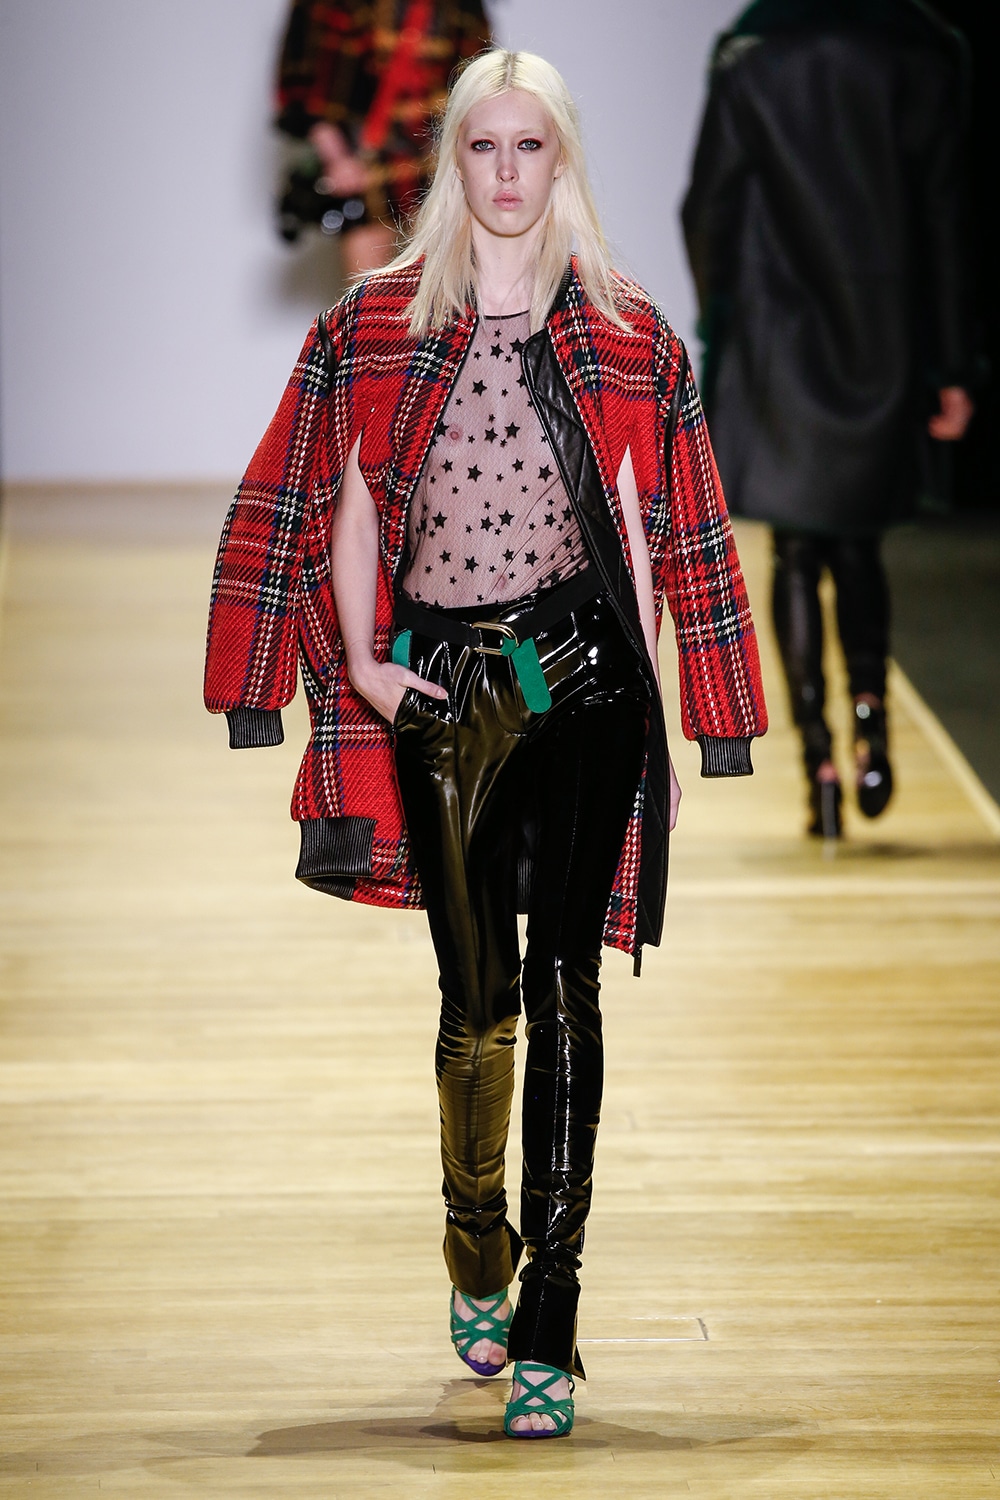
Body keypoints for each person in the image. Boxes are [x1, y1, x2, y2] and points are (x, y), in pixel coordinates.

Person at [206, 48, 766, 1438]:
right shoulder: (376, 323)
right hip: (449, 687)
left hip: (582, 674)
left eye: (531, 147)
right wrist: (366, 669)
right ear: (451, 161)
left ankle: (551, 1323)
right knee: (477, 998)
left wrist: (668, 723)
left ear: (561, 161)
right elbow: (339, 501)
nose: (508, 173)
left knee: (568, 985)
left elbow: (647, 530)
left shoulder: (626, 332)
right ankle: (476, 1239)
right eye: (484, 146)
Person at [682, 0, 975, 838]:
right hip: (882, 330)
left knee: (797, 550)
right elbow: (945, 220)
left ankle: (817, 760)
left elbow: (707, 205)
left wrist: (721, 322)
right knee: (858, 541)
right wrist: (955, 365)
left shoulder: (752, 52)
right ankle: (871, 720)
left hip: (777, 332)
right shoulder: (921, 49)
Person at [276, 0, 491, 274]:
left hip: (439, 155)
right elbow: (303, 79)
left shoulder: (461, 6)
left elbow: (481, 78)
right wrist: (336, 156)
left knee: (448, 283)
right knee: (367, 289)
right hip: (363, 159)